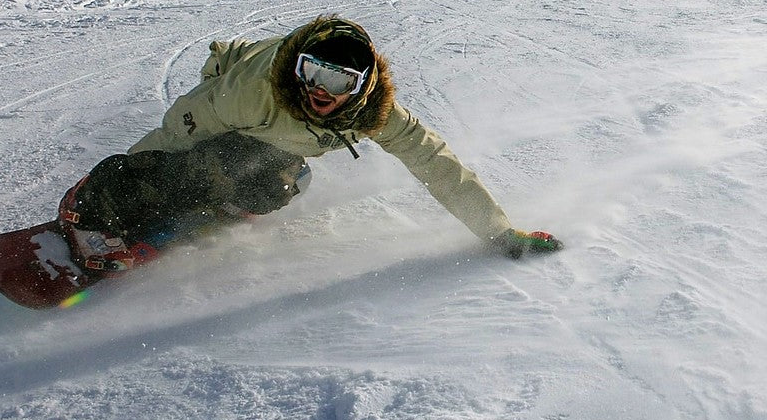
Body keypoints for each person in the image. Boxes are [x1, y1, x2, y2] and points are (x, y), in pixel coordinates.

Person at [58, 16, 562, 268]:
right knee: (202, 165)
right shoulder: (254, 90)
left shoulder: (378, 115)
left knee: (283, 182)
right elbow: (180, 126)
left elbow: (438, 165)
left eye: (340, 82)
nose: (321, 91)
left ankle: (213, 207)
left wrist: (499, 232)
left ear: (361, 89)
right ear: (298, 67)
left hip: (278, 141)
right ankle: (93, 202)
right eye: (313, 73)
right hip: (228, 94)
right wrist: (135, 182)